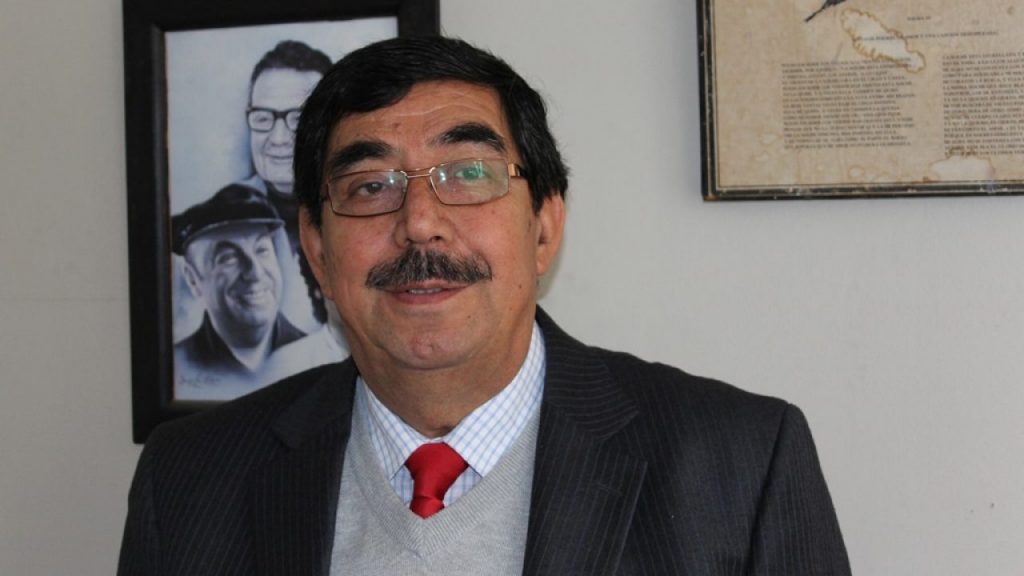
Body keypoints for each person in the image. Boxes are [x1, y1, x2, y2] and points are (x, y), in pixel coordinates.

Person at [120, 37, 851, 575]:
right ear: (316, 248)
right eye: (370, 186)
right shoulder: (188, 481)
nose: (419, 223)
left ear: (544, 226)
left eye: (468, 173)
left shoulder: (741, 466)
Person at [171, 184, 305, 397]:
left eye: (261, 250)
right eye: (228, 258)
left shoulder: (318, 359)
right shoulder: (178, 367)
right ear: (193, 280)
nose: (255, 273)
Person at [240, 40, 333, 326]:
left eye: (298, 119)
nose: (278, 139)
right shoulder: (218, 223)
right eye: (263, 118)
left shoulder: (375, 215)